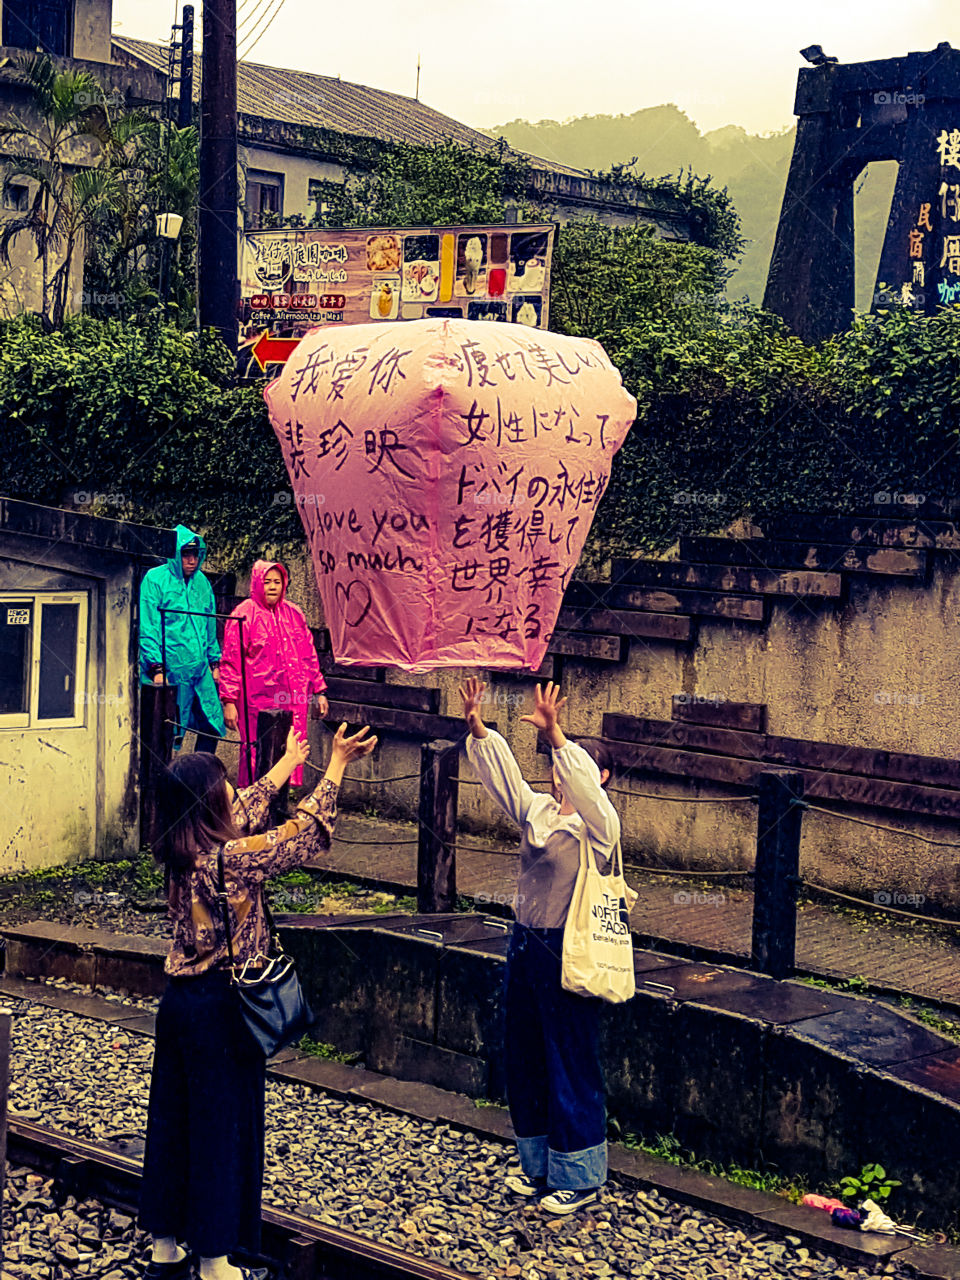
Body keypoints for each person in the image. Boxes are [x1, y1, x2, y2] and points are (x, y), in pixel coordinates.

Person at [138, 720, 377, 1280]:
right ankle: (217, 1262)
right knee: (223, 1127)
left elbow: (238, 807)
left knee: (174, 1121)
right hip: (222, 1009)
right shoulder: (233, 859)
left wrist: (287, 763)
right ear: (206, 800)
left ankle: (166, 1249)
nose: (230, 789)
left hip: (179, 1004)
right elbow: (304, 834)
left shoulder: (179, 844)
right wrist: (335, 764)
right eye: (221, 781)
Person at [459, 677, 619, 1215]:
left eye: (569, 766)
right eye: (554, 766)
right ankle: (538, 1162)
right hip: (526, 944)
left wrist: (557, 735)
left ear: (601, 777)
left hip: (569, 948)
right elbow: (507, 782)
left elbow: (589, 794)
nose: (558, 777)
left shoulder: (601, 828)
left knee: (570, 1053)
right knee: (524, 1050)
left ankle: (581, 1170)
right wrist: (481, 730)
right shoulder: (541, 814)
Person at [218, 560, 329, 787]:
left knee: (290, 747)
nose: (272, 587)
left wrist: (319, 690)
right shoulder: (243, 615)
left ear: (284, 584)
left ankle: (280, 802)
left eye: (277, 582)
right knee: (256, 750)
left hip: (291, 699)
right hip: (255, 701)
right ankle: (252, 800)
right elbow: (231, 660)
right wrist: (229, 700)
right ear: (257, 583)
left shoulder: (294, 614)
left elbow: (308, 654)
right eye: (267, 581)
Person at [140, 525, 225, 753]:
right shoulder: (155, 579)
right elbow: (149, 628)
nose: (192, 560)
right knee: (168, 733)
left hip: (199, 671)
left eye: (195, 554)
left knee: (212, 725)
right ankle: (164, 784)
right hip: (171, 672)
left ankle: (200, 779)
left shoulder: (202, 583)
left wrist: (214, 663)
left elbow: (209, 625)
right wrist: (157, 668)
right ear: (176, 554)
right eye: (186, 554)